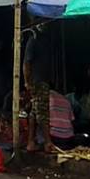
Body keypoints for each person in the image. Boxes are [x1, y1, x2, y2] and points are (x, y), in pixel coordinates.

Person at [23, 23, 56, 153]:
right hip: (38, 81)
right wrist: (27, 82)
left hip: (42, 80)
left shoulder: (45, 40)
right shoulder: (33, 40)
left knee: (34, 111)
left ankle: (31, 142)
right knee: (42, 112)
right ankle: (48, 142)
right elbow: (26, 63)